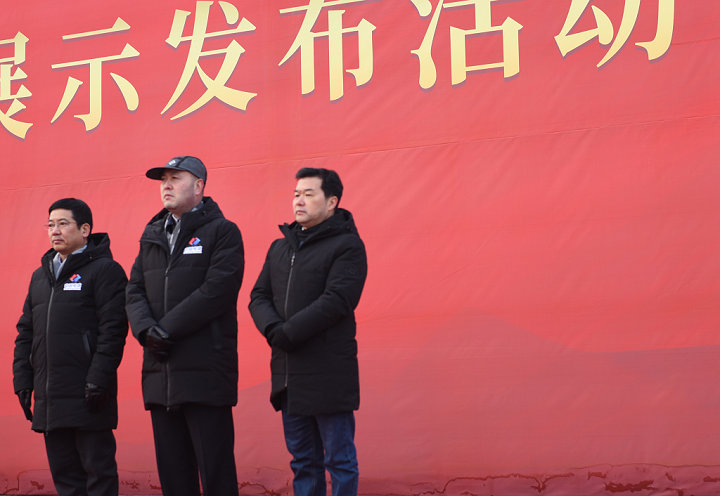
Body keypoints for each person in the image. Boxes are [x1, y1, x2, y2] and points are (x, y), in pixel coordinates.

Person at [125, 156, 244, 496]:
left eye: (175, 178)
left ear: (199, 186)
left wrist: (165, 330)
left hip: (205, 373)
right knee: (175, 480)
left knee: (217, 476)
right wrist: (146, 331)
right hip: (161, 373)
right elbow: (134, 290)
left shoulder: (222, 231)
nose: (166, 185)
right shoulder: (152, 235)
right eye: (163, 179)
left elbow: (217, 291)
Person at [249, 167, 368, 496]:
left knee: (339, 461)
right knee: (303, 463)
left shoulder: (347, 246)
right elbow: (258, 296)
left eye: (308, 194)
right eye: (296, 194)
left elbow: (337, 300)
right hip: (289, 376)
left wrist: (288, 333)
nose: (299, 201)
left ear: (331, 202)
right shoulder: (280, 247)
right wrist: (273, 329)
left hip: (328, 373)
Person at [13, 198, 128, 496]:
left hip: (89, 394)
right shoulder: (40, 277)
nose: (55, 231)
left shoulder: (106, 270)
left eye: (63, 224)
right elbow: (26, 333)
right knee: (66, 479)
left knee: (98, 475)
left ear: (85, 229)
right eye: (50, 224)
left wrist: (99, 380)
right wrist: (23, 380)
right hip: (50, 397)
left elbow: (114, 331)